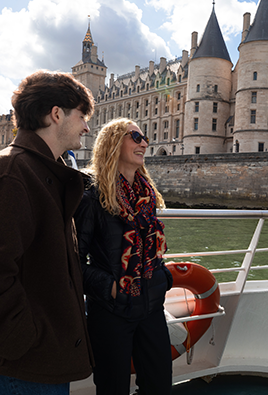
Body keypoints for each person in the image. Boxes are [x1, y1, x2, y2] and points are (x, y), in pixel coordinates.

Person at [0, 70, 94, 394]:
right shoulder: (12, 172)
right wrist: (24, 339)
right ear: (56, 114)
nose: (86, 126)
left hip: (42, 359)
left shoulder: (41, 171)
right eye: (82, 116)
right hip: (25, 364)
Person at [75, 118, 172, 395]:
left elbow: (153, 250)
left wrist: (163, 278)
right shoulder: (92, 196)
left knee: (159, 385)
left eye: (145, 138)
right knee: (112, 388)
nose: (144, 143)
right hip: (111, 311)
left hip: (151, 306)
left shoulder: (146, 196)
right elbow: (73, 260)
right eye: (136, 136)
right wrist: (110, 288)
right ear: (114, 142)